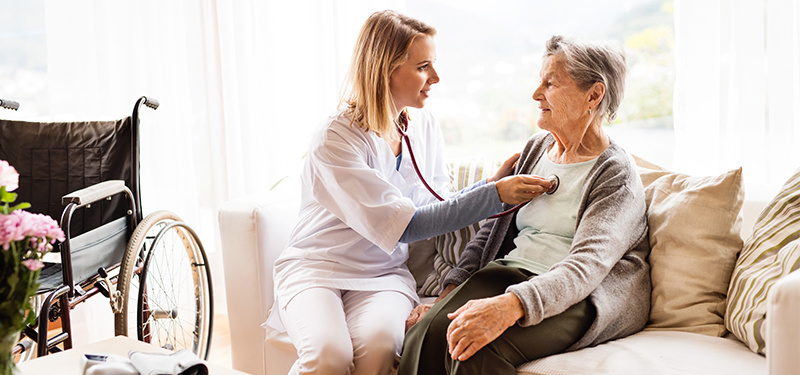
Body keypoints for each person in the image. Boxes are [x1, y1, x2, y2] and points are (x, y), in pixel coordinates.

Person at [264, 10, 551, 375]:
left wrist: (489, 185)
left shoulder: (424, 126)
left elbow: (438, 206)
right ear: (385, 69)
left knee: (380, 352)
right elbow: (408, 226)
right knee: (328, 356)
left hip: (382, 275)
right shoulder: (335, 138)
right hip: (317, 268)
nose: (435, 77)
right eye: (423, 67)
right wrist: (494, 194)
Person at [398, 35, 652, 375]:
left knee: (471, 349)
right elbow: (492, 231)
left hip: (578, 296)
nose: (536, 94)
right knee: (425, 334)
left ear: (594, 95)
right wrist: (448, 292)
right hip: (510, 273)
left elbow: (586, 267)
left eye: (551, 83)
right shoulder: (537, 149)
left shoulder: (614, 174)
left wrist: (511, 305)